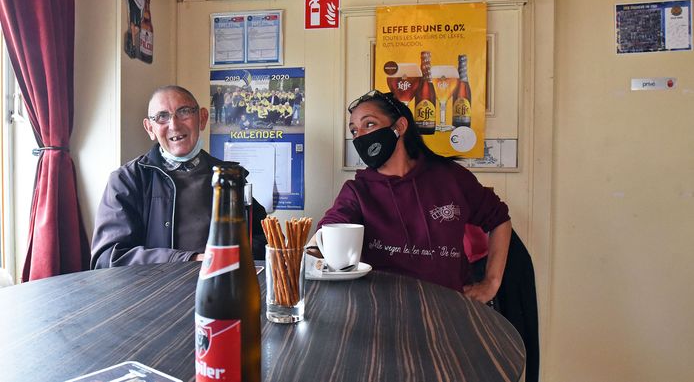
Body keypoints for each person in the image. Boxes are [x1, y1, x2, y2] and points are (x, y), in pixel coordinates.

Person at [310, 90, 511, 303]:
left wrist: (492, 283)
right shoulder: (358, 191)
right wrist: (310, 251)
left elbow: (499, 220)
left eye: (369, 124)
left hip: (449, 309)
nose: (360, 136)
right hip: (382, 310)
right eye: (354, 131)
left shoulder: (451, 177)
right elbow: (329, 229)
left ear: (399, 127)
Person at [91, 85, 267, 269]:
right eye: (162, 117)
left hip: (223, 285)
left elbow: (265, 238)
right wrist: (190, 260)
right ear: (150, 128)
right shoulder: (126, 180)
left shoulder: (229, 176)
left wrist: (229, 256)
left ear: (202, 118)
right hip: (157, 292)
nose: (174, 125)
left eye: (184, 112)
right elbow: (107, 258)